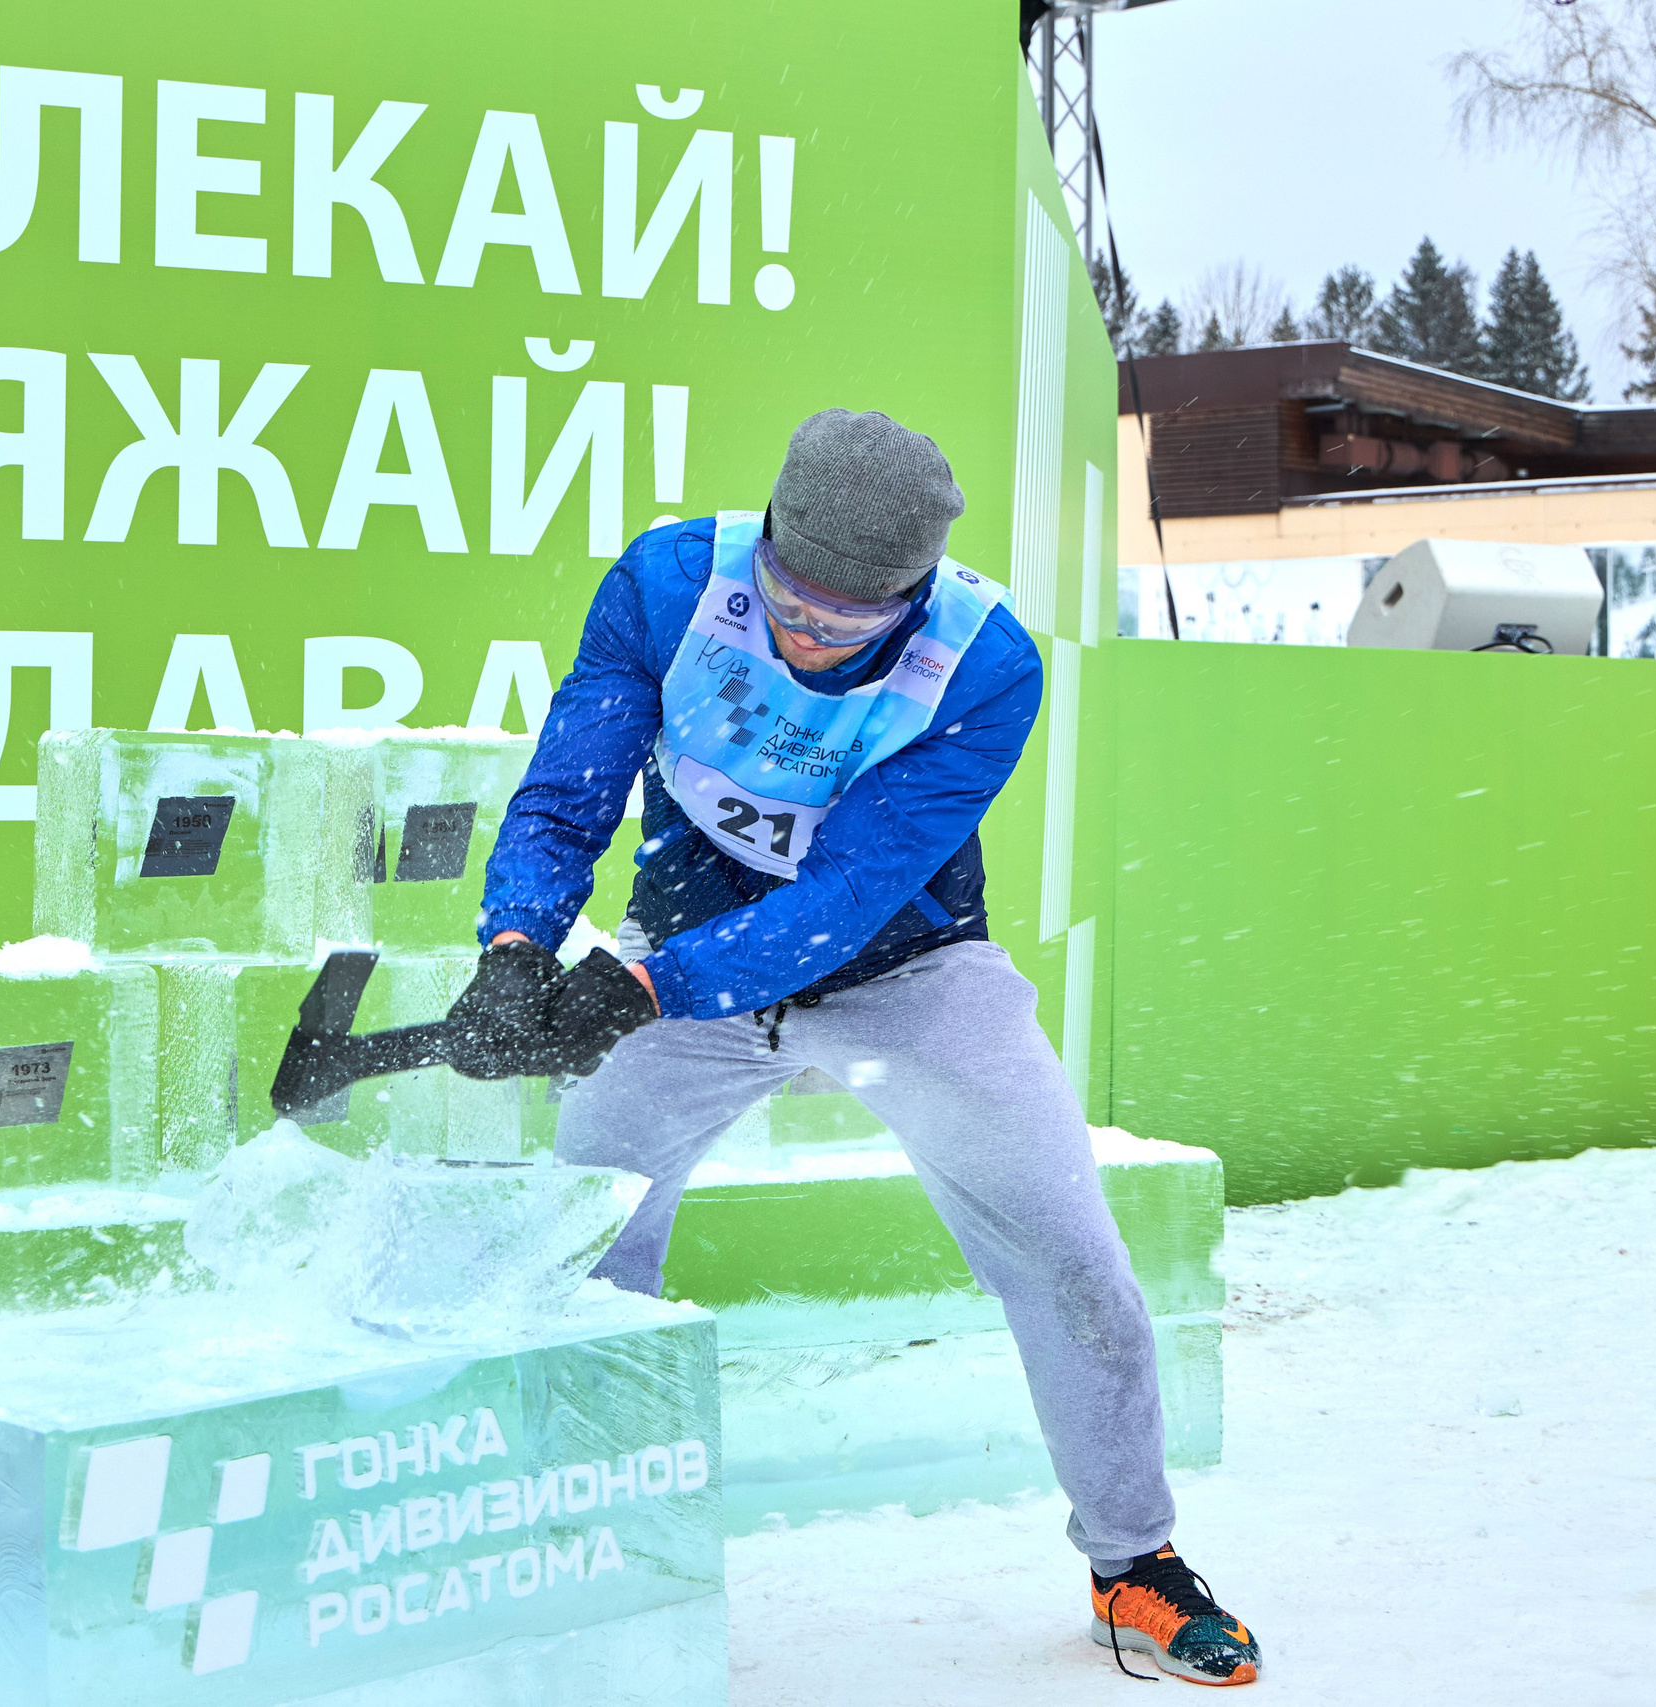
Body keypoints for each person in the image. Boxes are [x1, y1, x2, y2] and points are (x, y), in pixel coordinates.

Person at [442, 408, 1262, 1688]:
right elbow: (570, 789)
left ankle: (1133, 1566)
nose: (810, 634)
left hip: (907, 974)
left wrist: (642, 985)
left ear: (914, 591)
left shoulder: (984, 662)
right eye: (791, 600)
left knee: (1070, 1258)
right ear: (765, 540)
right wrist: (513, 946)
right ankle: (571, 1547)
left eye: (852, 620)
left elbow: (851, 892)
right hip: (679, 973)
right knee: (574, 1243)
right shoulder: (667, 587)